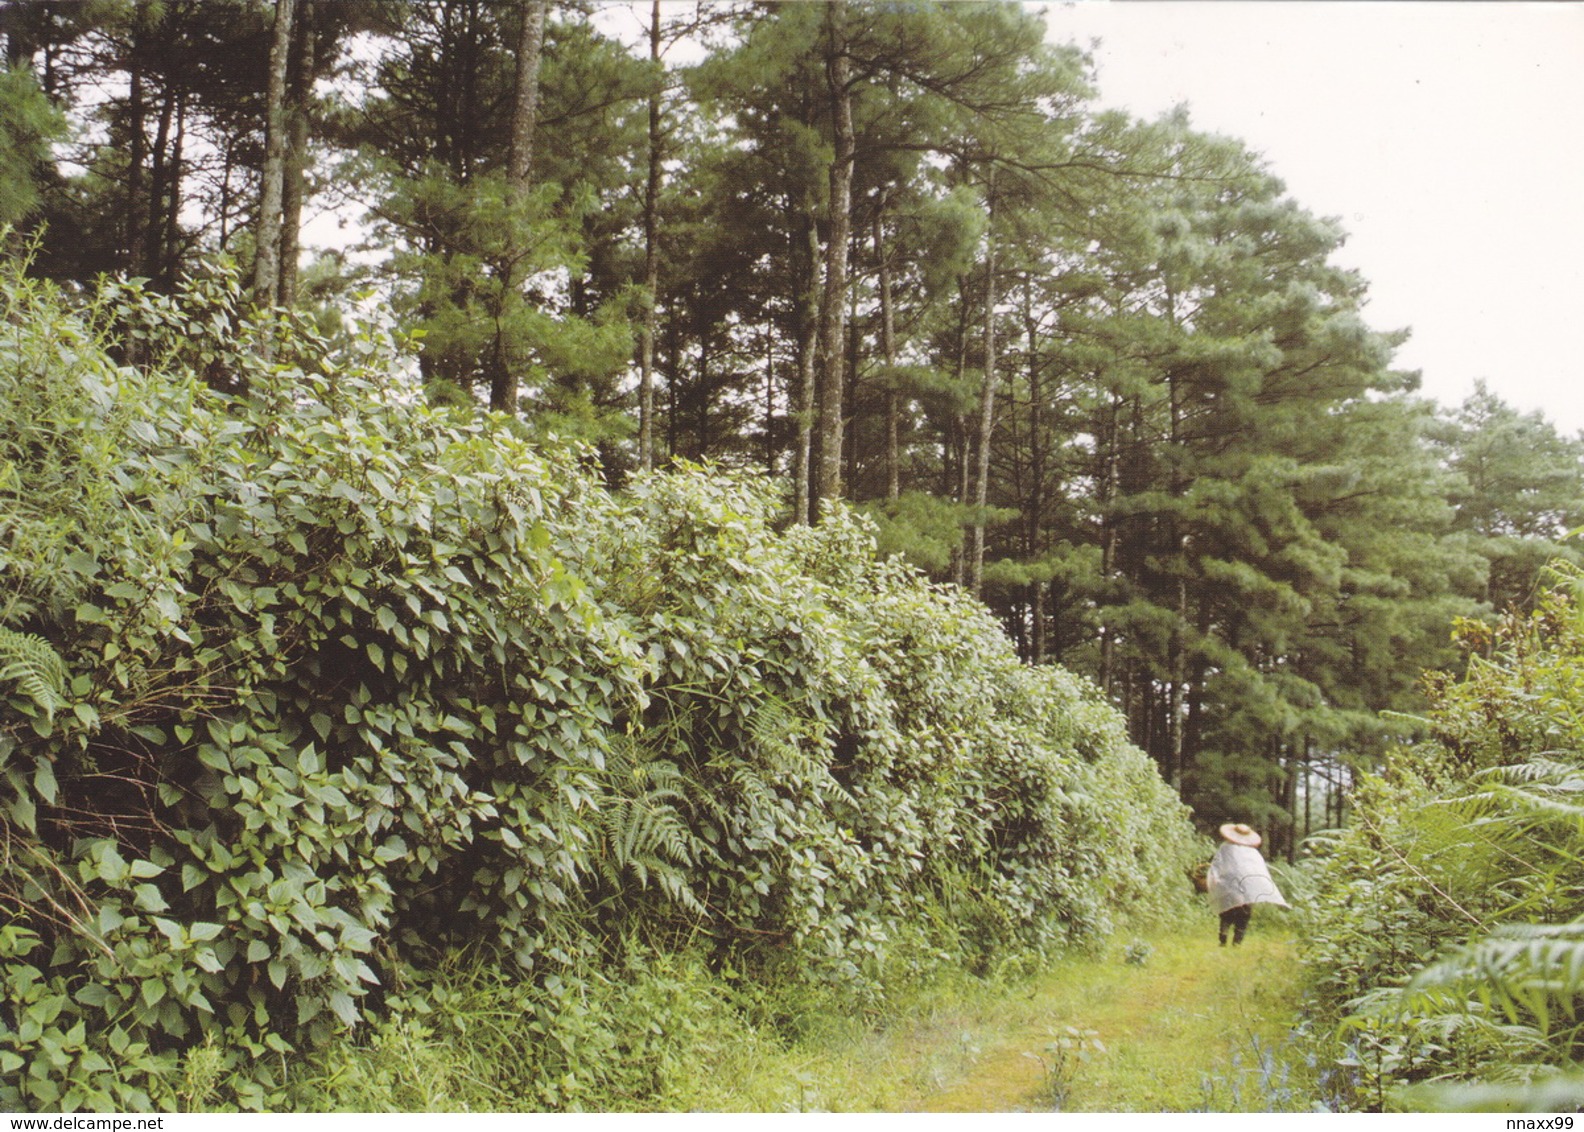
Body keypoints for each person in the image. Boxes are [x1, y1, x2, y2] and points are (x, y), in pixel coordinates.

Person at [1206, 823, 1288, 945]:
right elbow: (1258, 869)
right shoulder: (1252, 852)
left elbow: (1217, 864)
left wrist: (1214, 878)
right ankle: (1237, 941)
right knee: (1244, 913)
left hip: (1228, 882)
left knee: (1227, 910)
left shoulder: (1225, 847)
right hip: (1246, 884)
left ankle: (1224, 934)